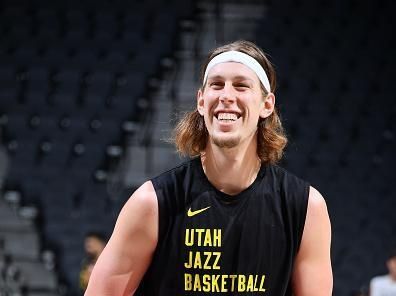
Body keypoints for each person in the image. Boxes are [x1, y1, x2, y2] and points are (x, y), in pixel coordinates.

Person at [85, 40, 332, 295]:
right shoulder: (152, 204)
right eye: (216, 85)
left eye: (241, 85)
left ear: (266, 105)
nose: (226, 95)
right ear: (202, 101)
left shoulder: (305, 208)